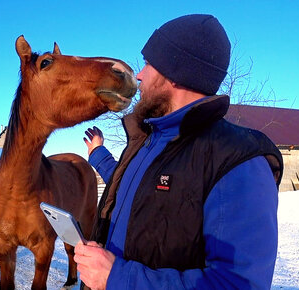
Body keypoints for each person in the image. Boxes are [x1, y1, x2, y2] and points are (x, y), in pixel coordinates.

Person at [74, 14, 283, 289]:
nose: (139, 74)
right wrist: (98, 154)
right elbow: (134, 189)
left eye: (148, 63)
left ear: (174, 71)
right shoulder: (149, 138)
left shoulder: (237, 161)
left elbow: (236, 284)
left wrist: (116, 277)